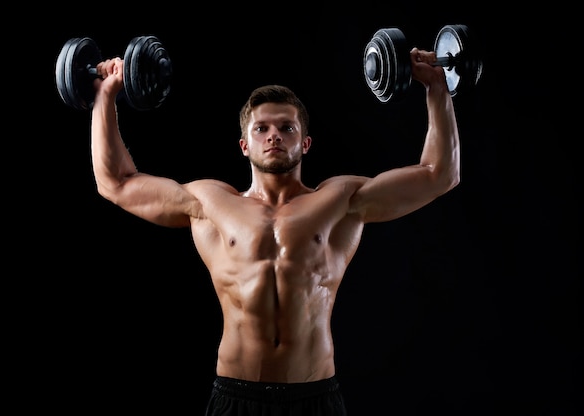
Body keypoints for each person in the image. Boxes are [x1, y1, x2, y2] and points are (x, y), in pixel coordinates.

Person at [89, 45, 460, 415]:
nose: (274, 136)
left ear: (305, 143)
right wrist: (106, 95)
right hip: (236, 397)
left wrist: (437, 88)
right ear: (244, 145)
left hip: (315, 398)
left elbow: (438, 175)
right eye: (261, 129)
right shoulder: (209, 202)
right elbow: (116, 183)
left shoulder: (341, 200)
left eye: (287, 128)